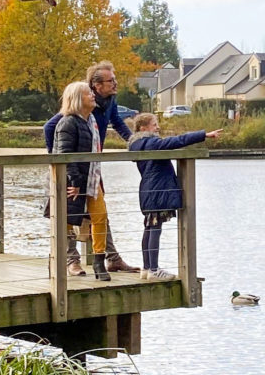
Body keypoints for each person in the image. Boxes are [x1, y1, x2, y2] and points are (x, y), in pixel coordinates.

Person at [43, 60, 137, 272]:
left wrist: (135, 141)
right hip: (71, 168)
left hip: (92, 166)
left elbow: (117, 123)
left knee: (99, 212)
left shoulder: (110, 101)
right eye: (110, 80)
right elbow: (49, 128)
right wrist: (56, 158)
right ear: (96, 85)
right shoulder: (80, 104)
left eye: (115, 79)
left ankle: (112, 258)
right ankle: (71, 259)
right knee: (67, 212)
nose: (115, 84)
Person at [128, 112, 222, 279]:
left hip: (148, 189)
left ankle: (146, 268)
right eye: (154, 124)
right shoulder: (152, 143)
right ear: (143, 128)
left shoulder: (137, 144)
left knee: (149, 226)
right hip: (158, 189)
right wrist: (203, 135)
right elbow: (177, 141)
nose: (158, 127)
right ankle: (154, 270)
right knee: (155, 227)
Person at [51, 81, 110, 280]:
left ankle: (99, 261)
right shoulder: (68, 122)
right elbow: (65, 154)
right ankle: (66, 261)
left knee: (100, 216)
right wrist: (74, 182)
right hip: (71, 182)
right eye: (88, 94)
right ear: (77, 99)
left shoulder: (91, 120)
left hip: (91, 179)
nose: (93, 95)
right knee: (67, 221)